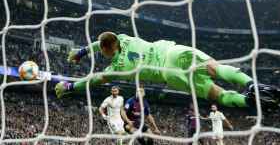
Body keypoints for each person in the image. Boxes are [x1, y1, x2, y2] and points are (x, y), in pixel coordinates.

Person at [55, 32, 280, 109]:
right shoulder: (123, 37)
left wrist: (71, 85)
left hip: (169, 74)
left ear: (105, 50)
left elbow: (95, 79)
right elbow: (102, 40)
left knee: (217, 94)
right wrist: (82, 51)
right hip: (172, 51)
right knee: (216, 68)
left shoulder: (117, 68)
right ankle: (253, 84)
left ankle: (248, 102)